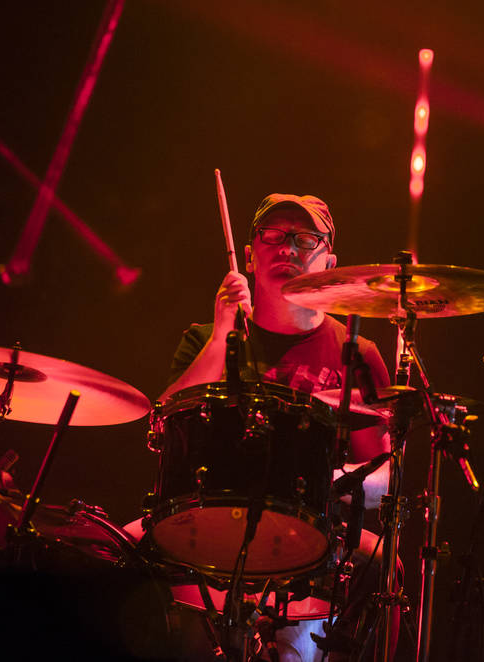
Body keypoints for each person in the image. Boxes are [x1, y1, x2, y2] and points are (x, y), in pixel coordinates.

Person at [151, 193, 397, 661]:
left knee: (381, 561)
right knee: (110, 552)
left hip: (311, 545)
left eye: (305, 238)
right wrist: (224, 330)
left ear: (330, 260)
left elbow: (385, 479)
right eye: (273, 236)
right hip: (207, 524)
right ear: (249, 253)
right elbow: (161, 427)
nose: (287, 248)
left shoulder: (357, 354)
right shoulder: (205, 338)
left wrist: (327, 482)